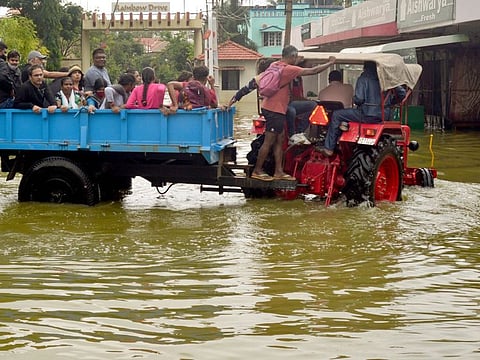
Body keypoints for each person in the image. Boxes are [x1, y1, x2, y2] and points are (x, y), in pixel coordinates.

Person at [251, 45, 335, 181]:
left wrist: (297, 61)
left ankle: (279, 170)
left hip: (275, 107)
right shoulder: (289, 70)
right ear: (292, 57)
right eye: (295, 58)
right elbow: (313, 71)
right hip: (276, 109)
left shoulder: (275, 65)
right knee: (269, 141)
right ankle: (258, 170)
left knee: (280, 139)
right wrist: (330, 63)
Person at [319, 61, 407, 157]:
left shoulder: (363, 78)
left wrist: (354, 99)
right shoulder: (386, 78)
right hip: (384, 116)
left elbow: (359, 99)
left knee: (337, 114)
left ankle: (329, 148)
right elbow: (402, 94)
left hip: (366, 114)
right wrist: (389, 103)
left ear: (365, 67)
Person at [0, 42, 15, 108]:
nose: (5, 55)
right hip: (3, 100)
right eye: (4, 52)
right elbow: (3, 78)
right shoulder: (2, 63)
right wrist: (11, 87)